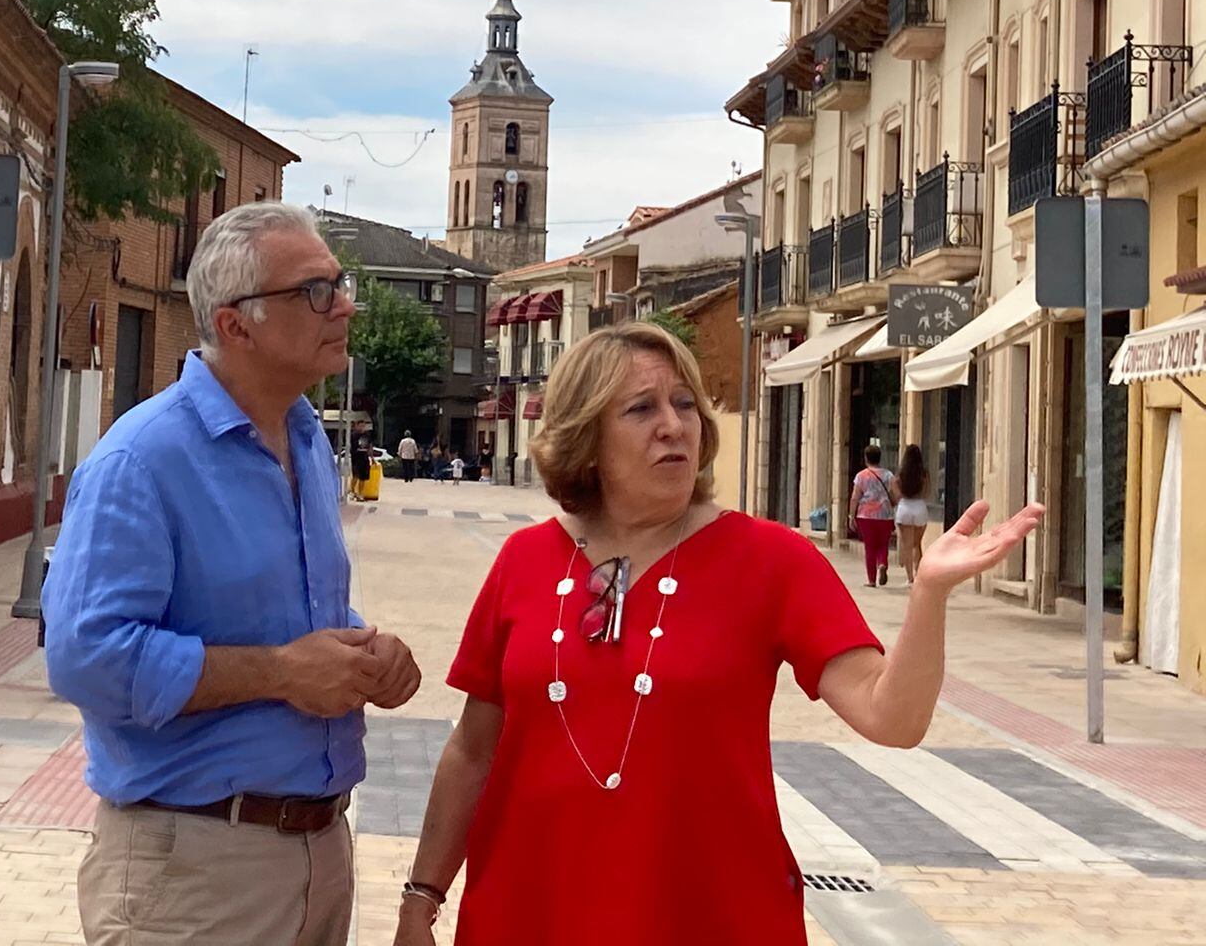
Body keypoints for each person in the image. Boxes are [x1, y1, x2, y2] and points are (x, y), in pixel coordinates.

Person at [391, 322, 1041, 946]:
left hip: (711, 916)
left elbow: (891, 717)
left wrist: (929, 593)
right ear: (584, 435)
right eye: (641, 409)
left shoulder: (772, 562)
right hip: (528, 914)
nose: (674, 425)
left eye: (685, 404)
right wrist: (422, 896)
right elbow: (473, 750)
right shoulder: (523, 562)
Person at [45, 202, 422, 946]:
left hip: (320, 855)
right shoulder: (143, 460)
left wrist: (363, 656)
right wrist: (281, 672)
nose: (344, 305)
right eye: (315, 291)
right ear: (234, 324)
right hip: (195, 873)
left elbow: (279, 620)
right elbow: (86, 659)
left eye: (340, 284)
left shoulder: (309, 441)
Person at [850, 442, 900, 588]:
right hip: (885, 515)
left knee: (870, 547)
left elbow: (855, 497)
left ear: (866, 458)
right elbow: (896, 494)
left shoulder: (861, 476)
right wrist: (892, 504)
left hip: (866, 516)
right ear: (879, 458)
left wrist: (851, 515)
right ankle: (883, 563)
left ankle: (871, 580)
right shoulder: (888, 475)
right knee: (883, 544)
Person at [895, 443, 930, 586]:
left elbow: (897, 493)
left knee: (907, 546)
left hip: (905, 507)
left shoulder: (901, 474)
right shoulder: (924, 473)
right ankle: (919, 575)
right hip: (919, 507)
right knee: (917, 545)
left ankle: (910, 578)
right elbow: (927, 492)